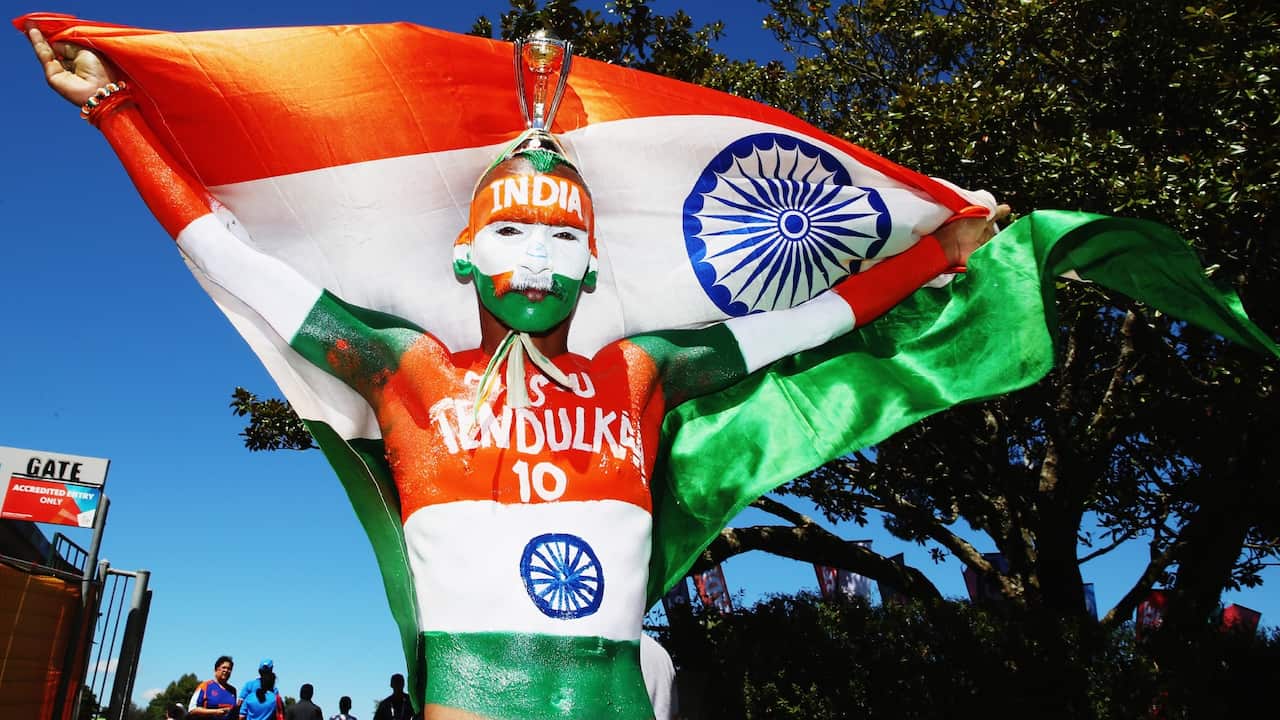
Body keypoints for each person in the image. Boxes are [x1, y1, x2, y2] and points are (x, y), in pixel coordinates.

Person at [27, 28, 1004, 720]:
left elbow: (805, 322)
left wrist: (939, 253)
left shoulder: (640, 371)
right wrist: (114, 108)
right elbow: (229, 256)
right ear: (462, 256)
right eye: (508, 231)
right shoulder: (406, 374)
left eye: (557, 236)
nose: (532, 257)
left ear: (589, 263)